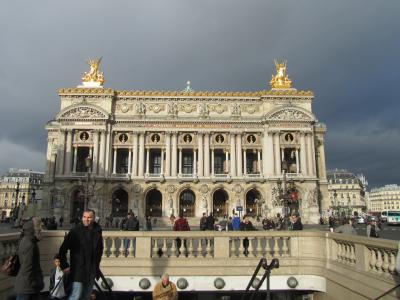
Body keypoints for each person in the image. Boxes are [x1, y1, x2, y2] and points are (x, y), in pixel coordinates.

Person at [59, 209, 103, 300]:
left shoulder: (98, 230)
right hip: (78, 270)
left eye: (89, 217)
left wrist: (96, 264)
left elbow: (100, 249)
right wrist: (64, 266)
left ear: (94, 218)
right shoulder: (75, 231)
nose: (86, 219)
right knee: (76, 296)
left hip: (91, 270)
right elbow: (62, 249)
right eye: (84, 217)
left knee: (86, 296)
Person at [15, 217, 44, 300]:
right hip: (28, 287)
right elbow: (27, 269)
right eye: (40, 230)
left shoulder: (26, 239)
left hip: (27, 286)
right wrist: (36, 283)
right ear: (34, 230)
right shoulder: (30, 245)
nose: (41, 231)